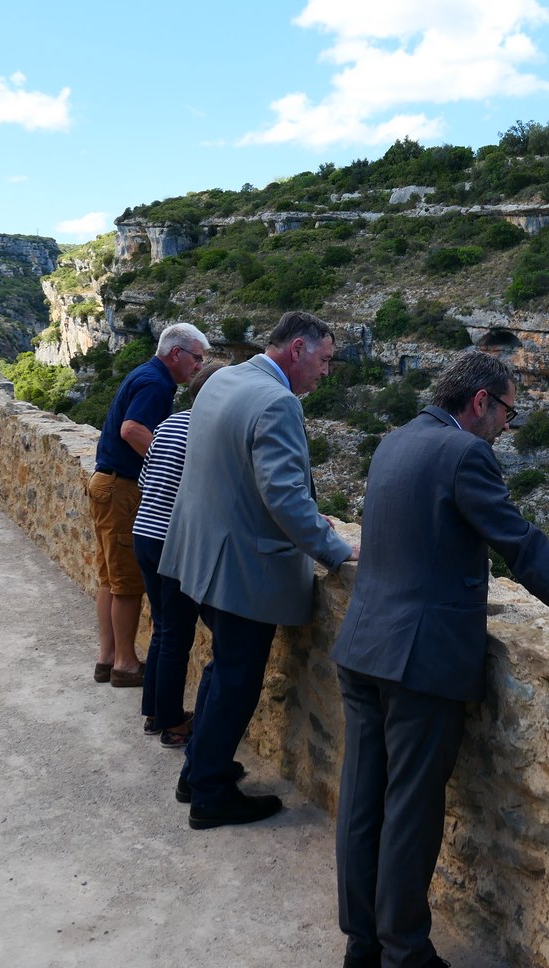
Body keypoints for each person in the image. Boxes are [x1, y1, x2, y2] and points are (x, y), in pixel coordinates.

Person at [331, 350, 549, 968]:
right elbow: (520, 547)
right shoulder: (466, 454)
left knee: (363, 801)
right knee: (412, 811)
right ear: (480, 403)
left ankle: (364, 944)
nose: (507, 425)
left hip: (363, 643)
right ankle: (406, 953)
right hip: (419, 660)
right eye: (508, 411)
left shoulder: (395, 440)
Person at [160, 310, 356, 829]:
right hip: (241, 568)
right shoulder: (278, 402)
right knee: (236, 679)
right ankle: (210, 796)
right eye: (324, 360)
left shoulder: (224, 378)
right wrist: (336, 550)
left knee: (221, 670)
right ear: (296, 349)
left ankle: (199, 769)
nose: (325, 372)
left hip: (195, 557)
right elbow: (285, 498)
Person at [89, 323, 210, 687]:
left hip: (104, 483)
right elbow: (131, 429)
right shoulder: (159, 384)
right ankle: (125, 665)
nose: (198, 367)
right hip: (122, 488)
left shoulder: (144, 372)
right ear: (177, 353)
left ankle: (107, 658)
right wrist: (164, 465)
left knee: (109, 577)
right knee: (127, 582)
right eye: (197, 358)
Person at [132, 360, 225, 745]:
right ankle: (172, 724)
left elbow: (145, 477)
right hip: (174, 541)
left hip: (144, 533)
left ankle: (155, 712)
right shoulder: (206, 432)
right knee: (176, 634)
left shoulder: (170, 424)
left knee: (163, 626)